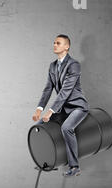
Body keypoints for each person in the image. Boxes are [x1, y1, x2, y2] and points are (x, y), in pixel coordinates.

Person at [32, 34, 89, 177]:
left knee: (67, 128)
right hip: (63, 109)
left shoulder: (74, 65)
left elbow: (65, 91)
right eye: (54, 42)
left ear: (66, 46)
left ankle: (74, 167)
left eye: (58, 43)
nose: (55, 45)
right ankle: (46, 161)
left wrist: (51, 111)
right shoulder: (52, 66)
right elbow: (47, 89)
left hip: (77, 107)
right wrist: (39, 109)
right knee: (40, 127)